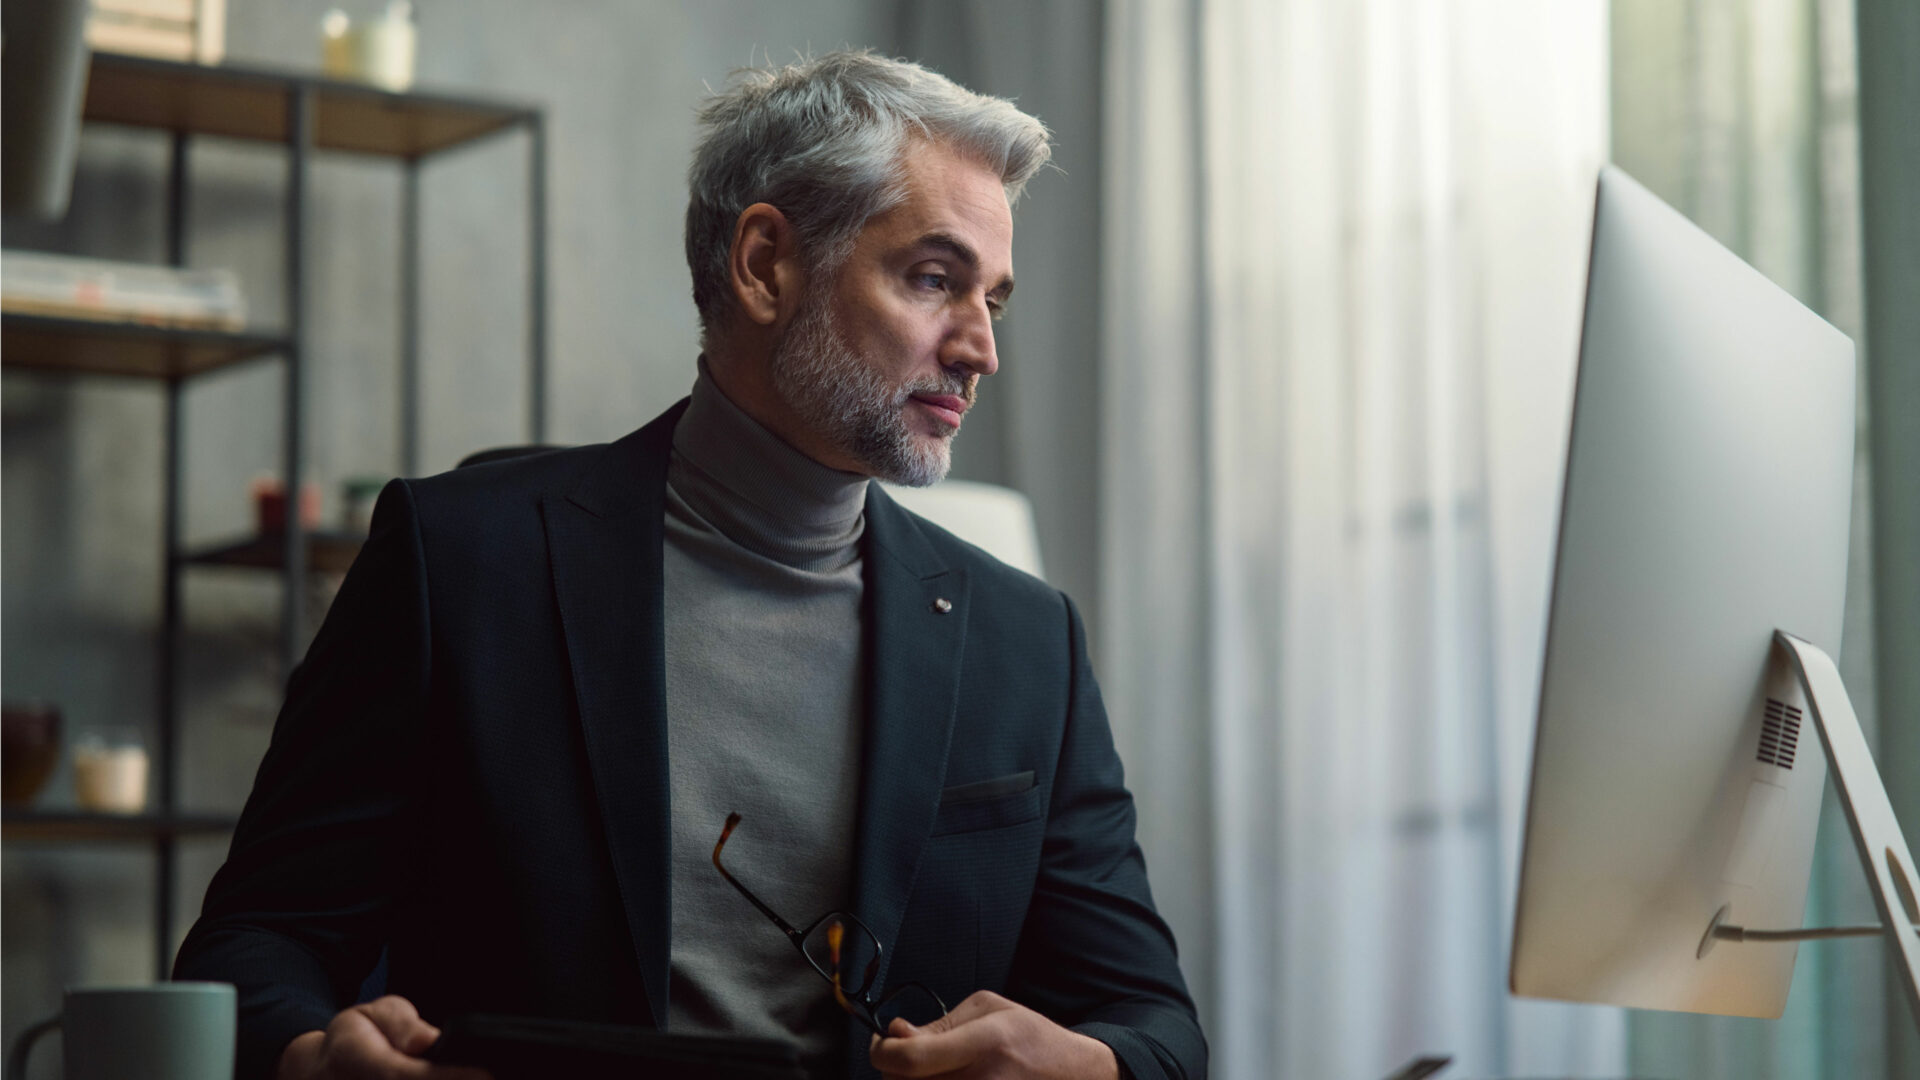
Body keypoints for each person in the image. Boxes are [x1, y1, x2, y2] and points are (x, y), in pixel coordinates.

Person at [175, 49, 1205, 1080]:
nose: (980, 346)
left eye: (996, 300)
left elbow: (1157, 1030)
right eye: (935, 279)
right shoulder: (458, 564)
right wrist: (314, 1057)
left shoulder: (1028, 643)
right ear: (765, 264)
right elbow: (252, 951)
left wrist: (1092, 1068)